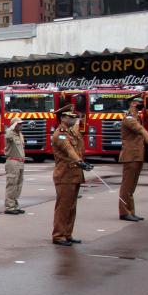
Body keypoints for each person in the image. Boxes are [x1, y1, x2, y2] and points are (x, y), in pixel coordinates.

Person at [51, 104, 92, 246]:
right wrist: (80, 162)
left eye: (74, 116)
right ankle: (58, 235)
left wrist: (82, 162)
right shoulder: (60, 134)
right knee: (63, 206)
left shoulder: (71, 132)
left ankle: (67, 233)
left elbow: (79, 148)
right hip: (65, 174)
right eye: (71, 117)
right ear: (62, 118)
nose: (74, 119)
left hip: (74, 174)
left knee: (71, 206)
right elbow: (69, 150)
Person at [117, 96, 148, 222]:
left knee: (132, 186)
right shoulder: (129, 118)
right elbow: (140, 130)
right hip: (130, 155)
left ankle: (130, 211)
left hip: (137, 155)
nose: (141, 104)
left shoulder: (137, 117)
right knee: (127, 186)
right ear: (132, 104)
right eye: (139, 102)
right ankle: (124, 212)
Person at [3, 117, 26, 215]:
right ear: (14, 125)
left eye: (21, 124)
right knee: (12, 184)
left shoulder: (20, 134)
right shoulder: (10, 133)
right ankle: (9, 206)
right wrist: (11, 126)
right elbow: (7, 134)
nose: (21, 125)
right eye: (19, 124)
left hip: (20, 162)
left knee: (18, 185)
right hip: (13, 162)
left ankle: (15, 205)